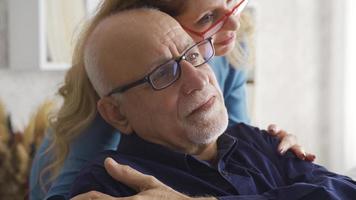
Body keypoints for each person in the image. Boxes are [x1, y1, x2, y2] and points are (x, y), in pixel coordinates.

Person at [29, 0, 315, 199]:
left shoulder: (229, 48)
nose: (234, 22)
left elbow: (233, 146)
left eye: (231, 2)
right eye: (207, 17)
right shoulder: (118, 72)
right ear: (154, 17)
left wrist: (272, 148)